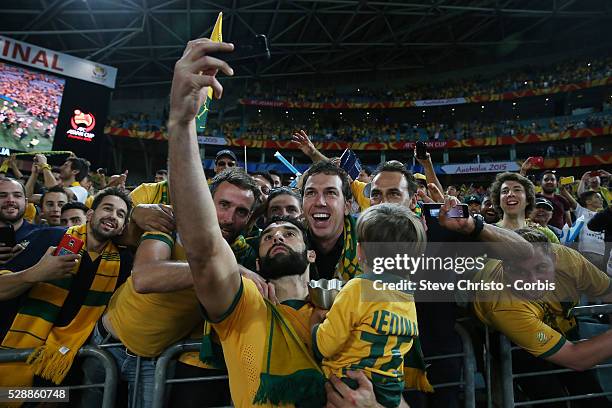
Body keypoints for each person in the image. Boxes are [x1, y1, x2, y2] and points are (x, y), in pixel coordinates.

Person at [166, 38, 393, 407]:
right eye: (269, 234)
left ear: (312, 257)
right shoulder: (239, 306)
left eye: (290, 231)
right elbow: (204, 249)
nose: (277, 235)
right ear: (255, 263)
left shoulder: (347, 312)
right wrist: (181, 122)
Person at [83, 169, 260, 408]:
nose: (229, 218)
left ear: (249, 219)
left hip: (155, 362)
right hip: (105, 345)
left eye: (241, 212)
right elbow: (145, 277)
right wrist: (225, 270)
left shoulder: (243, 254)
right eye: (224, 204)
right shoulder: (171, 225)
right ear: (205, 202)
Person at [0, 187, 133, 389]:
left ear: (123, 228)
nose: (113, 216)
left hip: (61, 371)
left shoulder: (123, 263)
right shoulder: (49, 238)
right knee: (8, 399)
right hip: (16, 354)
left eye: (120, 214)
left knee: (52, 401)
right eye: (107, 208)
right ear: (90, 214)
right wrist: (36, 273)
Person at [473, 228, 612, 406]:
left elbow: (608, 293)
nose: (533, 280)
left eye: (541, 268)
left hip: (560, 321)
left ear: (555, 259)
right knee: (548, 396)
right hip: (512, 333)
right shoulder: (502, 304)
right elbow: (576, 359)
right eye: (519, 272)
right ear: (505, 268)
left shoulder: (570, 260)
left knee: (589, 393)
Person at [313, 203, 431, 408]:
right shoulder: (408, 297)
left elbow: (325, 345)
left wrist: (316, 325)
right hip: (391, 393)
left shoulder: (357, 288)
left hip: (347, 385)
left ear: (360, 252)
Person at [302, 160, 361, 281]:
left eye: (330, 193)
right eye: (311, 193)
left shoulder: (372, 242)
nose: (319, 202)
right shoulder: (285, 242)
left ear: (347, 206)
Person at [490, 172, 560, 243]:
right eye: (505, 191)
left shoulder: (546, 234)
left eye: (517, 190)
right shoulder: (486, 232)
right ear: (498, 200)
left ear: (528, 199)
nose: (510, 194)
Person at [562, 190, 605, 270]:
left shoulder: (603, 215)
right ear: (588, 201)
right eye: (597, 197)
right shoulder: (581, 211)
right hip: (587, 251)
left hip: (604, 254)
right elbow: (571, 200)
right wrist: (563, 189)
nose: (601, 200)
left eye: (601, 198)